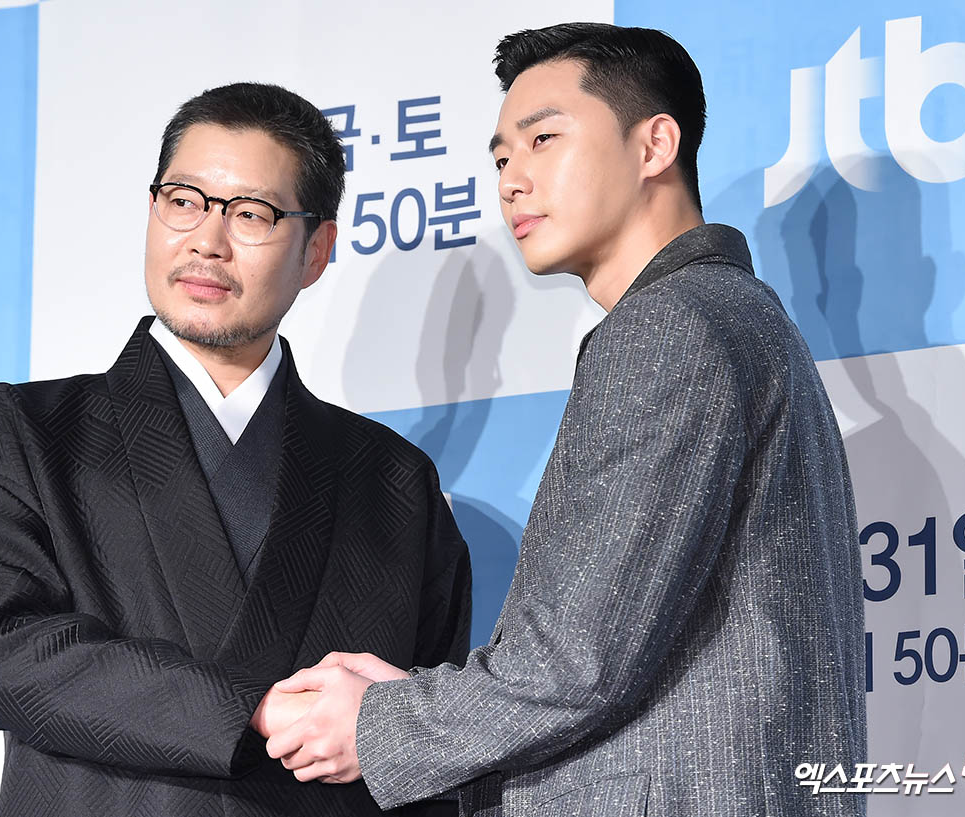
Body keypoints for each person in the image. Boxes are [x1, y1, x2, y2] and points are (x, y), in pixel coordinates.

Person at [262, 23, 867, 816]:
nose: (513, 179)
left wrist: (379, 722)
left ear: (654, 146)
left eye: (544, 139)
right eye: (502, 157)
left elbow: (577, 660)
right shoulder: (742, 319)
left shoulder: (668, 327)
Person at [0, 82, 471, 817]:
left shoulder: (391, 482)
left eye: (252, 214)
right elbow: (5, 656)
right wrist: (252, 712)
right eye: (183, 201)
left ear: (317, 249)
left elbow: (431, 747)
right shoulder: (26, 434)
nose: (206, 242)